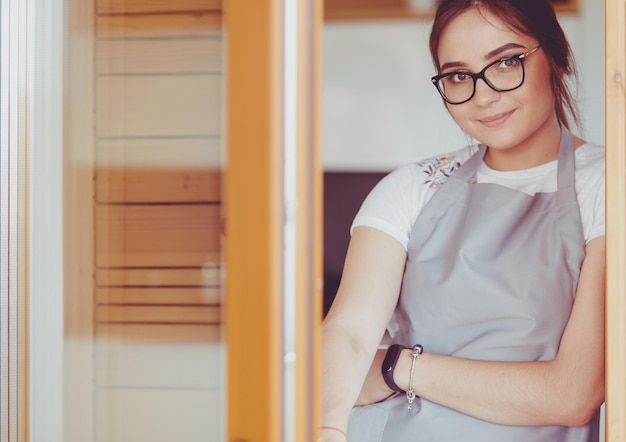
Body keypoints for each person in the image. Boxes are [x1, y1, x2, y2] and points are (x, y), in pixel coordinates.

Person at [320, 0, 605, 440]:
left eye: (506, 62)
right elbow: (350, 334)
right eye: (458, 76)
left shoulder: (608, 185)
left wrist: (398, 367)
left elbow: (571, 394)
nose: (483, 95)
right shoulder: (410, 188)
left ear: (557, 56)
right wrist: (328, 426)